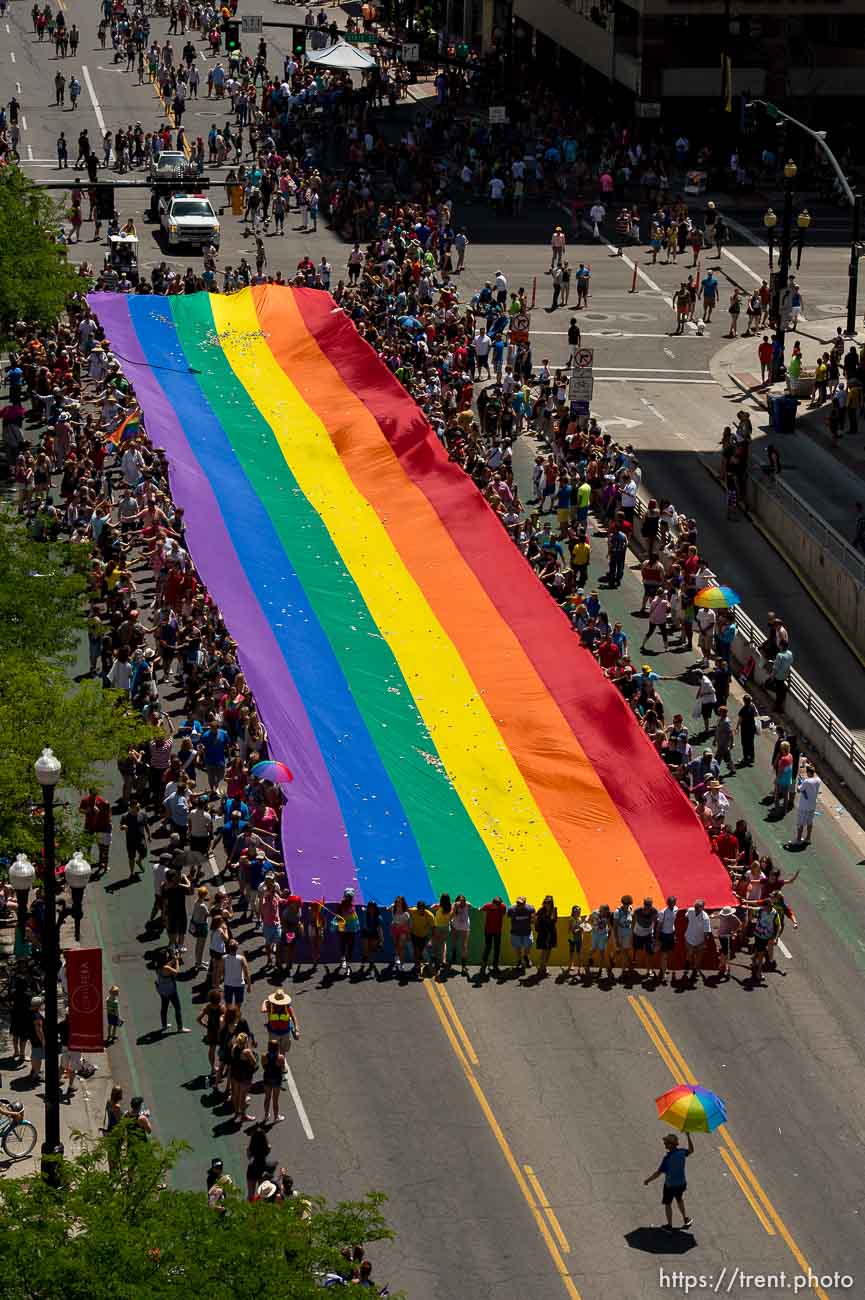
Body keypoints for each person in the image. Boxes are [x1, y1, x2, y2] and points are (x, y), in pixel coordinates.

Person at [644, 1133, 694, 1232]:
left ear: (671, 1144)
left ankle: (669, 1225)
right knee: (679, 1200)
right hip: (681, 1183)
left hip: (670, 1185)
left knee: (668, 1204)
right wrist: (688, 1136)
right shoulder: (681, 1152)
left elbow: (658, 1173)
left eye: (666, 1143)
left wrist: (648, 1180)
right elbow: (691, 1150)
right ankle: (685, 1219)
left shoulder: (667, 1159)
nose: (665, 1144)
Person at [155, 954, 189, 1034]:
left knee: (164, 1007)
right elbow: (176, 972)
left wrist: (174, 959)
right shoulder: (166, 968)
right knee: (177, 1008)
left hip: (162, 990)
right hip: (170, 991)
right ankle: (180, 1028)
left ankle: (164, 1025)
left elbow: (166, 966)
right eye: (166, 956)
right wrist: (177, 961)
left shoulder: (158, 967)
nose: (168, 957)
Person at [792, 761, 821, 846]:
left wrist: (800, 782)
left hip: (804, 806)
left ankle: (798, 839)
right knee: (809, 822)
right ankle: (808, 838)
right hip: (812, 805)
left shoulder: (807, 782)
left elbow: (798, 789)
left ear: (808, 772)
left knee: (800, 823)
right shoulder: (818, 780)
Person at [682, 900, 710, 983]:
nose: (696, 909)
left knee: (698, 957)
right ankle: (687, 970)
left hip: (699, 940)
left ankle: (694, 970)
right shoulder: (691, 911)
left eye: (698, 908)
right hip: (689, 938)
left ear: (702, 908)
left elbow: (706, 932)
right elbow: (686, 915)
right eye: (695, 907)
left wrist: (704, 943)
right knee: (689, 954)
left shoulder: (705, 918)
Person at [480, 895, 506, 975]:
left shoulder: (503, 907)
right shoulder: (488, 906)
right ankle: (484, 964)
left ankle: (495, 965)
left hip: (497, 931)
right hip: (488, 930)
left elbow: (504, 913)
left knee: (497, 948)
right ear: (492, 903)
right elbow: (481, 909)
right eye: (495, 905)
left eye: (498, 905)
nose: (496, 906)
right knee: (488, 947)